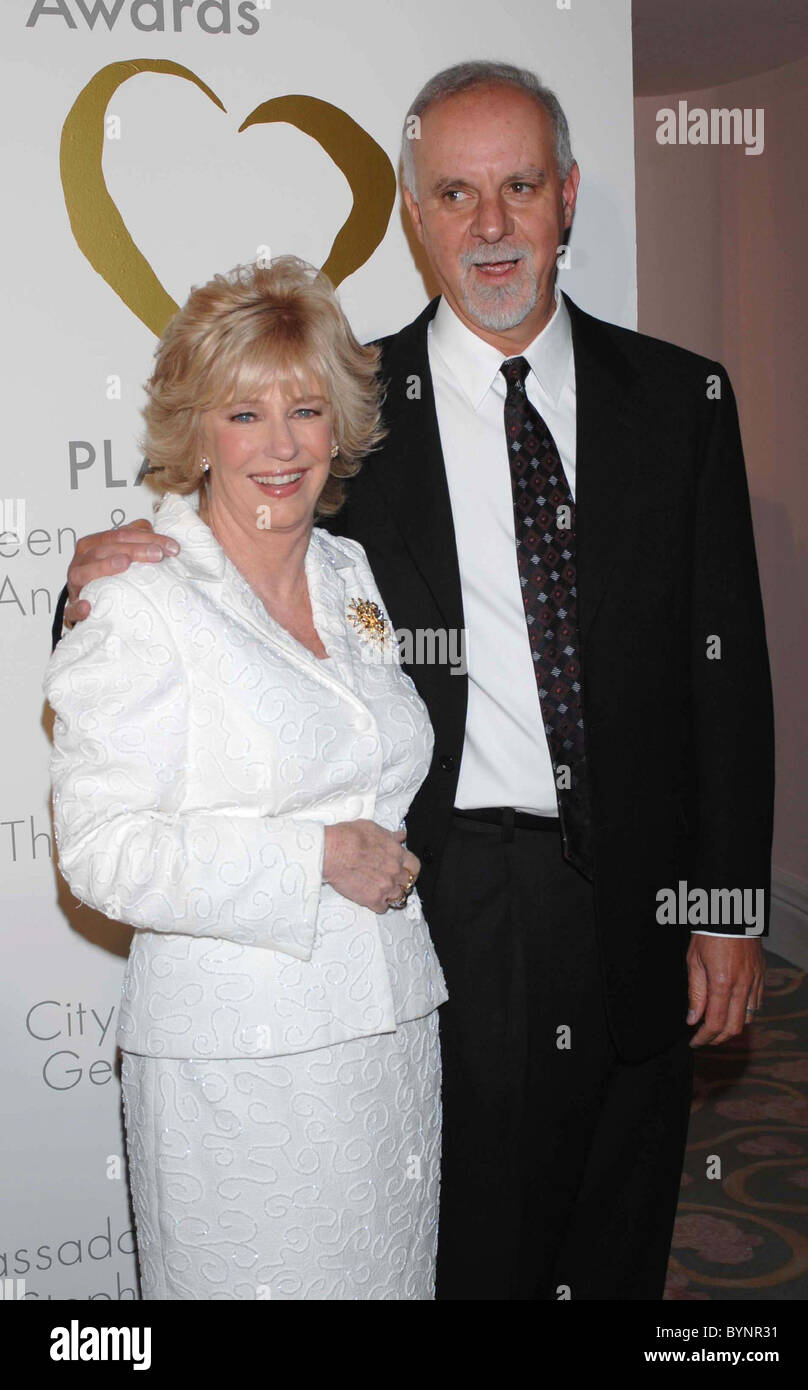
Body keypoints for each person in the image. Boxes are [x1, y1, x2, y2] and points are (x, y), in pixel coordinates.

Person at [52, 61, 775, 1301]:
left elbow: (728, 673)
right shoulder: (350, 409)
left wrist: (724, 901)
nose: (490, 226)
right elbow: (207, 577)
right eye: (454, 193)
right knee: (469, 1242)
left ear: (566, 197)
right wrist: (77, 587)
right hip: (451, 900)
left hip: (643, 886)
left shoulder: (678, 397)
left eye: (518, 188)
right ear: (412, 213)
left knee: (621, 1222)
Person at [44, 255, 448, 1301]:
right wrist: (312, 856)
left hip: (388, 1037)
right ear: (196, 431)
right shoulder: (139, 598)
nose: (281, 445)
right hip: (239, 1069)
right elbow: (102, 851)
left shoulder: (349, 572)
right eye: (244, 414)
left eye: (306, 410)